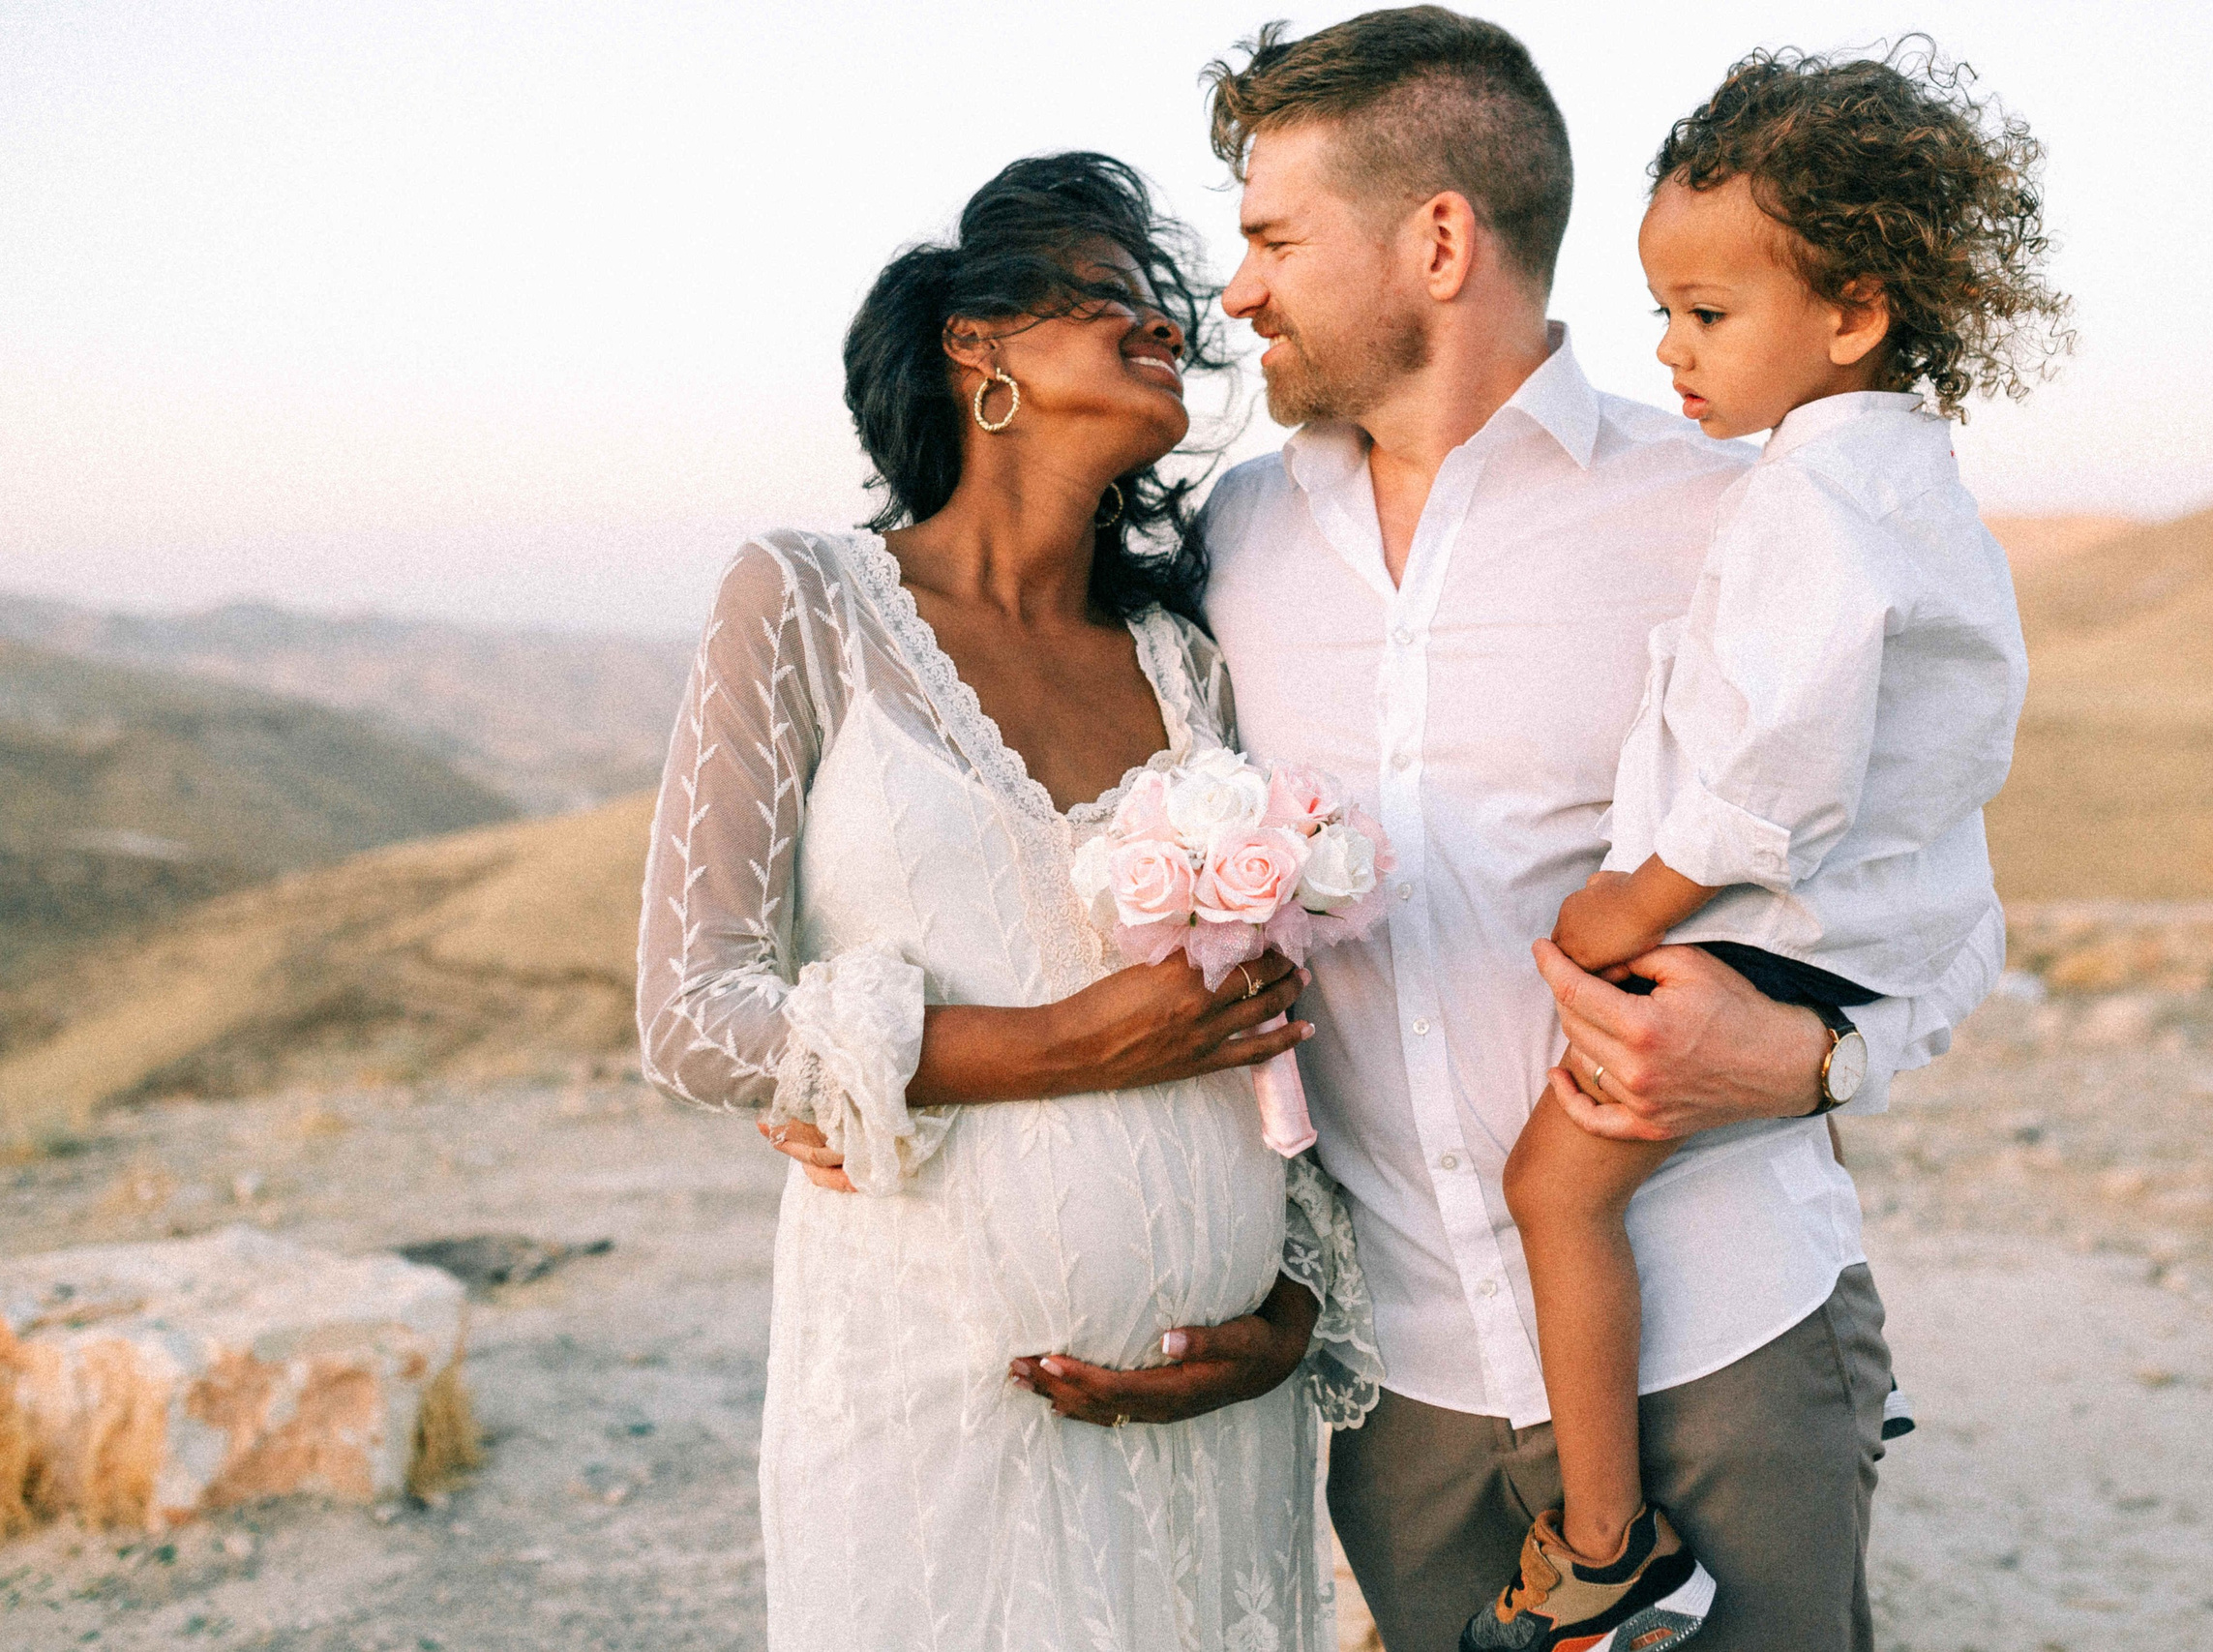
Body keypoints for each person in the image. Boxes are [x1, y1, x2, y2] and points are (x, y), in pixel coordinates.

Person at [1195, 11, 2007, 1650]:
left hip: (1729, 1336)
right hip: (1402, 1389)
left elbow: (1946, 885)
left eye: (1275, 237)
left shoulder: (1734, 508)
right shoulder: (1232, 537)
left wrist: (1814, 1063)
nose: (1240, 290)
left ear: (1436, 239)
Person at [635, 152, 1380, 1651]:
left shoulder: (1188, 657)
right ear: (979, 345)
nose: (1166, 324)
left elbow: (1263, 1017)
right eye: (1116, 296)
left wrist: (1291, 1310)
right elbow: (694, 1019)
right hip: (934, 1395)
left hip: (1209, 1416)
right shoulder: (804, 603)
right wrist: (1048, 1047)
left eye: (1168, 308)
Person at [1478, 43, 2064, 1652]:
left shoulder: (1819, 504)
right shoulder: (1893, 479)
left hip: (1760, 929)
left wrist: (1627, 900)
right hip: (1818, 935)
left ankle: (1607, 1547)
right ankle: (1614, 1538)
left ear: (1852, 313)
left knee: (1551, 1185)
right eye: (1662, 311)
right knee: (1565, 1185)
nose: (1668, 350)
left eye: (1707, 315)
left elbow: (1770, 773)